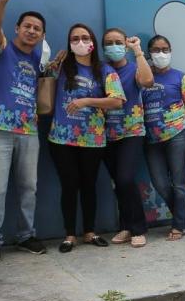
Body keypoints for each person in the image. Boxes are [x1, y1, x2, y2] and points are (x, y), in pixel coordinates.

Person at [0, 0, 48, 263]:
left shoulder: (36, 59)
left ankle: (25, 235)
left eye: (37, 29)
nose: (32, 31)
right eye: (27, 26)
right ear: (18, 28)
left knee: (28, 186)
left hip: (28, 132)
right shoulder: (2, 49)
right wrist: (2, 2)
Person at [47, 24, 126, 253]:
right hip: (62, 138)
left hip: (93, 139)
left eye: (84, 37)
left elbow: (117, 100)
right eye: (75, 38)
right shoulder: (62, 68)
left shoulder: (105, 71)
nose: (80, 42)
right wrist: (54, 62)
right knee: (69, 186)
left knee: (89, 185)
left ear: (92, 42)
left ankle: (89, 232)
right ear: (69, 43)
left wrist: (87, 101)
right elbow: (42, 81)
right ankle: (69, 235)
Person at [142, 35, 185, 241]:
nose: (161, 53)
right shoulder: (143, 78)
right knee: (159, 182)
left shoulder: (180, 77)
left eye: (165, 49)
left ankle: (178, 224)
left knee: (178, 182)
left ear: (171, 51)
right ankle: (181, 215)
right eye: (156, 49)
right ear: (149, 53)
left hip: (178, 134)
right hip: (150, 139)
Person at [102, 28, 154, 248]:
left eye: (118, 42)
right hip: (105, 135)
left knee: (125, 179)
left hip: (132, 132)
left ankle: (139, 228)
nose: (113, 46)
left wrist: (138, 51)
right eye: (109, 42)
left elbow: (148, 81)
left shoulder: (133, 68)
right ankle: (125, 226)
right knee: (118, 183)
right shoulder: (101, 70)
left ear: (124, 45)